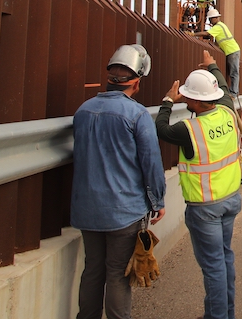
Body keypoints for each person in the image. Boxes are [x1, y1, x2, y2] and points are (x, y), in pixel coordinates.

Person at [71, 44, 166, 319]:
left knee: (93, 270)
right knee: (117, 273)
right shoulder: (137, 115)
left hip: (86, 209)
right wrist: (157, 200)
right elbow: (151, 163)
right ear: (136, 83)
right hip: (123, 211)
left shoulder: (83, 111)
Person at [156, 56, 242, 319]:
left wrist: (169, 100)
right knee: (225, 259)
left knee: (213, 266)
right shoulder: (227, 110)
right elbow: (226, 89)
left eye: (187, 97)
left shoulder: (189, 129)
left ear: (192, 101)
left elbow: (161, 129)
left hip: (205, 207)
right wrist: (212, 63)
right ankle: (226, 313)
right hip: (231, 199)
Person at [194, 8, 241, 95]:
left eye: (211, 19)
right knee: (232, 73)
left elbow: (207, 34)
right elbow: (213, 39)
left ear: (216, 18)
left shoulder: (218, 27)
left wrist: (194, 34)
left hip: (232, 50)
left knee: (234, 73)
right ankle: (233, 91)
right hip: (231, 51)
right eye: (209, 19)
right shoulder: (220, 26)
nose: (210, 21)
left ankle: (234, 93)